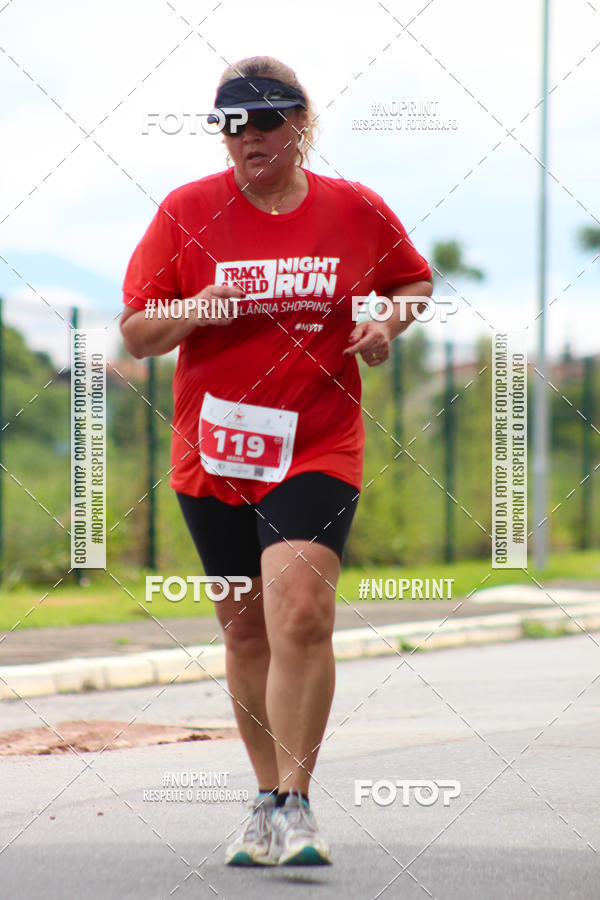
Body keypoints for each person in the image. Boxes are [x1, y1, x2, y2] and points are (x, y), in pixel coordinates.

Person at [120, 55, 433, 867]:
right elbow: (136, 332)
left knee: (300, 611)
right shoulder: (187, 211)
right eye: (233, 123)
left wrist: (383, 327)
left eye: (267, 119)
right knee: (246, 629)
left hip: (318, 441)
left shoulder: (355, 210)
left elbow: (413, 284)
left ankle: (297, 801)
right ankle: (265, 798)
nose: (249, 137)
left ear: (302, 125)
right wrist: (192, 309)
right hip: (215, 450)